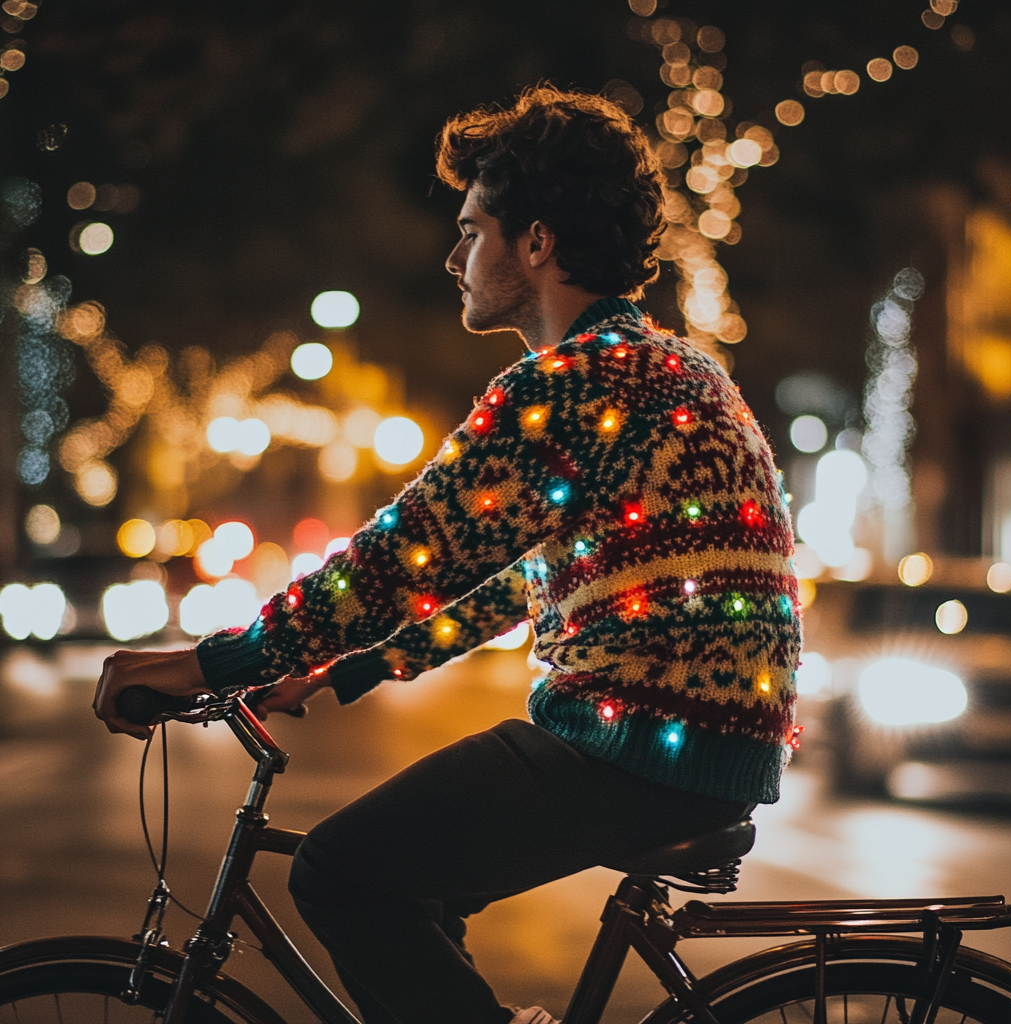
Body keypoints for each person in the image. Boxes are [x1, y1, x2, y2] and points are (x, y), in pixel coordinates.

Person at [94, 86, 802, 1024]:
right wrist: (341, 670)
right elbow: (515, 580)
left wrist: (208, 660)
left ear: (537, 243)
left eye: (473, 229)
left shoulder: (574, 384)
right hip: (705, 744)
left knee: (342, 875)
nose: (453, 255)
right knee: (414, 894)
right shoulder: (670, 368)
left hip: (635, 743)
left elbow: (398, 563)